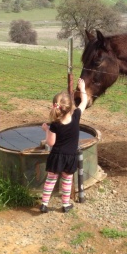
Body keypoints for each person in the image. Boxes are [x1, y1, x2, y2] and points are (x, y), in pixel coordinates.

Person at [40, 79, 87, 213]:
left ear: (55, 106)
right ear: (71, 106)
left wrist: (46, 130)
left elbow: (51, 143)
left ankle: (44, 204)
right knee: (67, 181)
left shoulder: (55, 124)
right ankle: (66, 205)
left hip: (56, 156)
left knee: (50, 180)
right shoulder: (76, 116)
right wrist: (82, 88)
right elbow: (84, 102)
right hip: (70, 157)